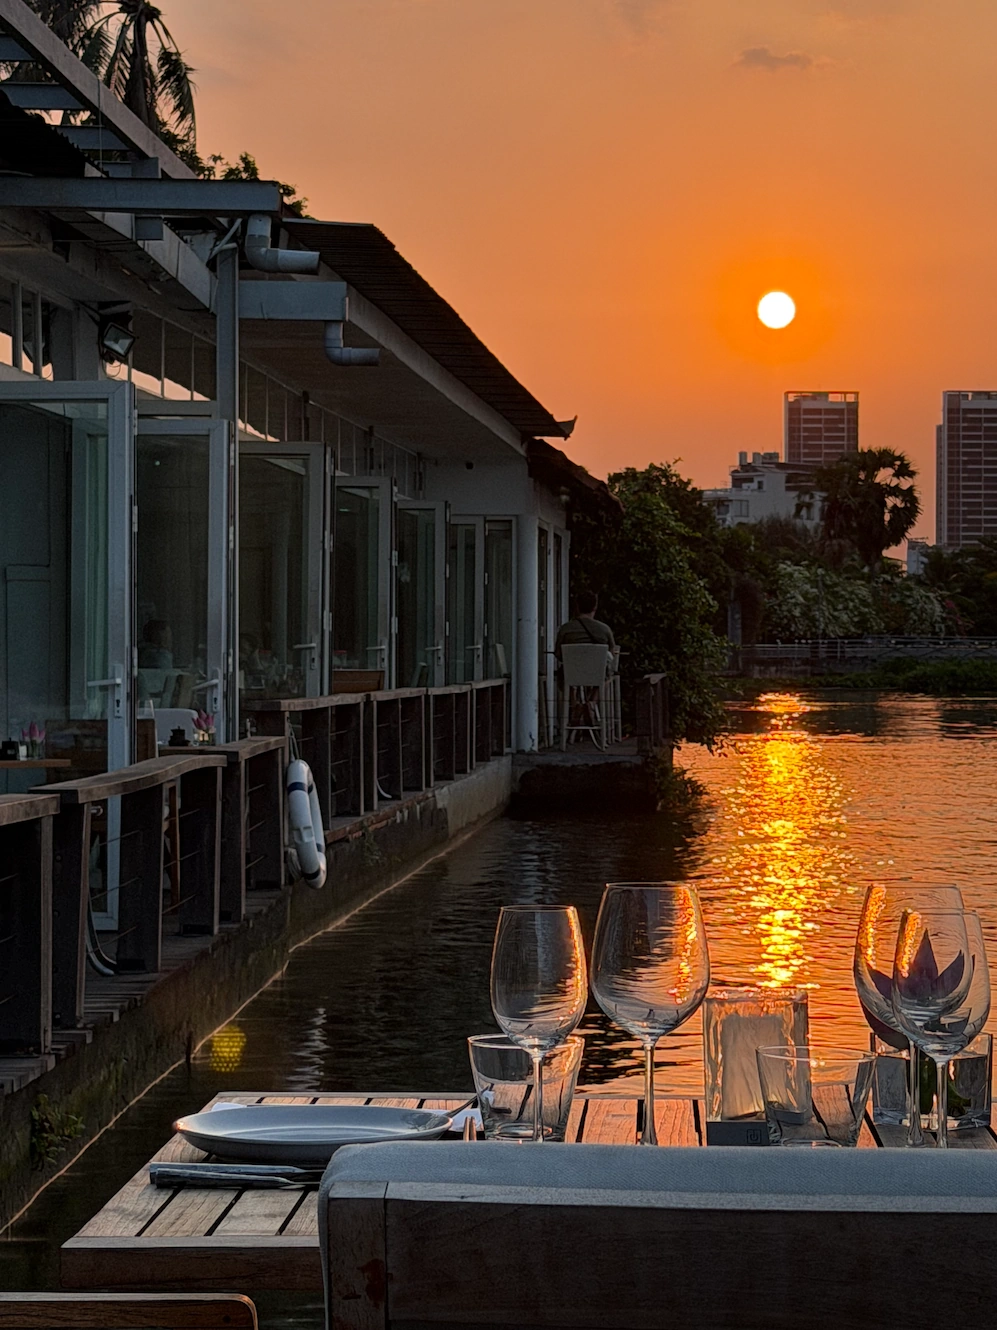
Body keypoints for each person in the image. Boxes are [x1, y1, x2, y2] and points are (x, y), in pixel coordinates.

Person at [554, 591, 617, 659]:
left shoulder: (565, 629)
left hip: (571, 668)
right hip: (597, 669)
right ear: (595, 607)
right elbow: (612, 652)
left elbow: (558, 653)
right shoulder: (605, 629)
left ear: (577, 606)